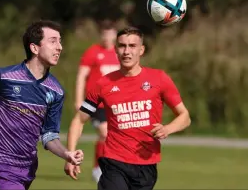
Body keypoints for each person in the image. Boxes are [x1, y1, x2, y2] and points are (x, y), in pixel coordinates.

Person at [0, 20, 84, 190]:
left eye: (60, 41)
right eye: (53, 41)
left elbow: (49, 135)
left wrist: (67, 154)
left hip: (27, 166)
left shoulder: (56, 91)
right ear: (34, 48)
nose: (59, 47)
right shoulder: (4, 77)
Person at [64, 26, 191, 190]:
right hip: (114, 162)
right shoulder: (103, 84)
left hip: (146, 165)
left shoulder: (159, 79)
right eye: (122, 46)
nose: (126, 51)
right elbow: (79, 119)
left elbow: (184, 116)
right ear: (116, 49)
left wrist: (167, 129)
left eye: (132, 46)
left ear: (141, 50)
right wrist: (70, 155)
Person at [74, 20, 119, 182]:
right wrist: (78, 99)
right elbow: (81, 76)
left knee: (111, 138)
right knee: (105, 133)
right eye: (105, 34)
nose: (107, 37)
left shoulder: (119, 53)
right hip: (96, 103)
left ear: (114, 35)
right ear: (101, 35)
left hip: (115, 104)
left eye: (110, 34)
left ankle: (108, 167)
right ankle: (98, 169)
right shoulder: (93, 52)